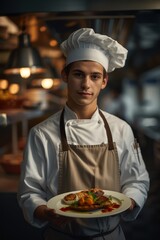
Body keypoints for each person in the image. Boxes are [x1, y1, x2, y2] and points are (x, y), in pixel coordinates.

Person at [17, 28, 150, 240]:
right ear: (65, 76)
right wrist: (44, 211)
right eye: (78, 74)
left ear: (104, 82)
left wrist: (130, 201)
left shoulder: (120, 129)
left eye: (95, 76)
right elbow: (29, 191)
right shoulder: (41, 134)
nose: (86, 84)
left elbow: (136, 180)